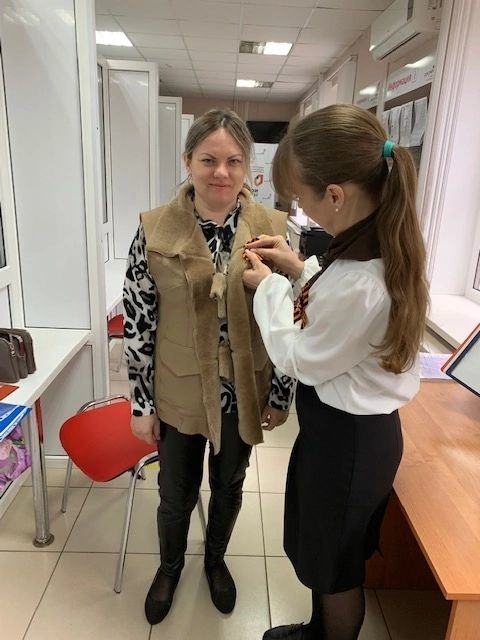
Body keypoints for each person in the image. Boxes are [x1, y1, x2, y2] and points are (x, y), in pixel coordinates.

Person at [242, 103, 429, 640]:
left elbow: (301, 357)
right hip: (346, 434)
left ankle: (331, 635)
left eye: (301, 197)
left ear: (336, 195)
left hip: (348, 444)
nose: (299, 208)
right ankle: (318, 628)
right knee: (325, 550)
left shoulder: (362, 282)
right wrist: (299, 268)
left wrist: (270, 288)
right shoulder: (372, 252)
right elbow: (336, 308)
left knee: (336, 565)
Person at [123, 108, 293, 625]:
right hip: (178, 390)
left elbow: (292, 318)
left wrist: (280, 394)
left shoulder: (273, 231)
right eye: (208, 160)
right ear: (188, 162)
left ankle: (215, 560)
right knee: (174, 494)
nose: (221, 172)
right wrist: (141, 404)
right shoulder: (154, 230)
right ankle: (170, 567)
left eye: (234, 161)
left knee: (230, 485)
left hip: (243, 389)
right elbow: (138, 321)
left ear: (247, 167)